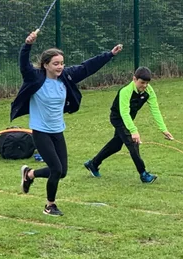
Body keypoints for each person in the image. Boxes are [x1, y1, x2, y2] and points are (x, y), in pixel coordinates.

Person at [13, 29, 123, 216]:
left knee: (62, 172)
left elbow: (87, 67)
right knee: (56, 169)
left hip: (57, 130)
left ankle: (29, 174)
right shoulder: (35, 77)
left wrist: (110, 55)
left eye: (62, 63)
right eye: (56, 64)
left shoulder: (66, 76)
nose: (60, 67)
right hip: (40, 131)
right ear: (45, 65)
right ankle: (49, 206)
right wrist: (28, 45)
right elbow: (24, 64)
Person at [84, 66, 173, 183]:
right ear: (134, 79)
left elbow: (155, 110)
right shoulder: (125, 91)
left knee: (116, 145)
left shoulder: (148, 91)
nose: (145, 86)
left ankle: (93, 164)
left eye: (147, 83)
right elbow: (124, 113)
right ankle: (144, 174)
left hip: (128, 118)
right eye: (142, 82)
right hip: (118, 118)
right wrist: (133, 131)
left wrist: (163, 129)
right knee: (133, 143)